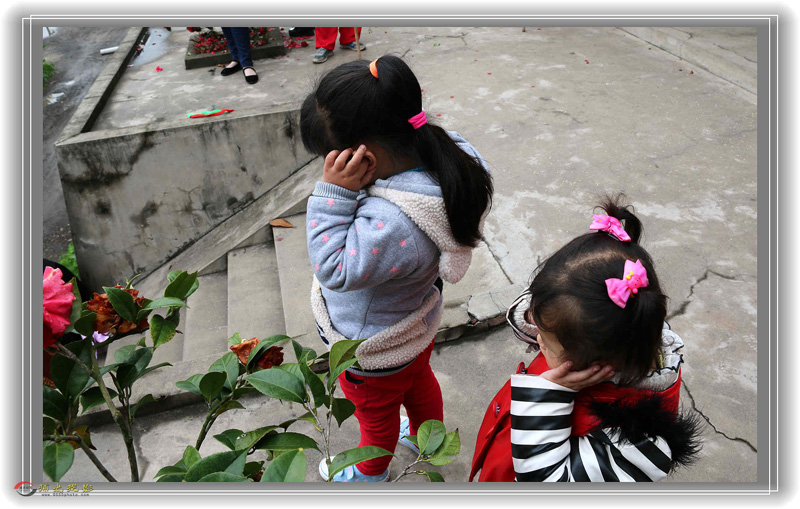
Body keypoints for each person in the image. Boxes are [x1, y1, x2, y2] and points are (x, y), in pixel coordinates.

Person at [300, 55, 493, 482]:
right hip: (413, 326)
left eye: (333, 156)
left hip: (375, 349)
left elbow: (333, 267)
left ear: (364, 157)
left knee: (376, 417)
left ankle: (370, 473)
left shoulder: (392, 224)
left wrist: (333, 192)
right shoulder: (449, 152)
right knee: (420, 383)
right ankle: (429, 441)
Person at [501, 195, 701, 482]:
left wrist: (548, 395)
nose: (538, 339)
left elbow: (543, 481)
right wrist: (542, 307)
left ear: (590, 367)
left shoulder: (638, 446)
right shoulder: (623, 324)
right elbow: (554, 310)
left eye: (545, 342)